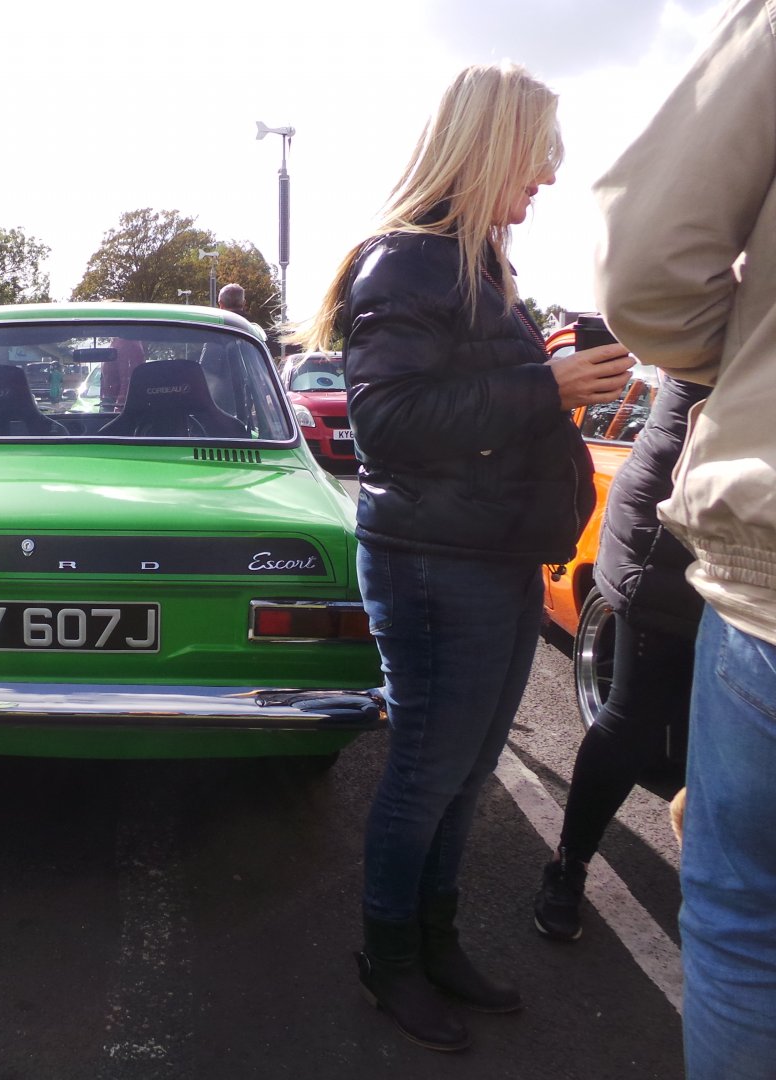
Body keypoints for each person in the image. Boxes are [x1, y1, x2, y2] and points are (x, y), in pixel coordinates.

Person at [302, 62, 634, 1052]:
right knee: (425, 771)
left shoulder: (473, 263)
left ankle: (435, 942)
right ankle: (388, 958)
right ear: (489, 146)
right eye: (538, 159)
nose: (547, 180)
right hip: (433, 560)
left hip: (484, 553)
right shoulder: (405, 263)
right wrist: (551, 386)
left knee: (468, 767)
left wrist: (551, 372)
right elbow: (390, 426)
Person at [594, 3, 776, 1074]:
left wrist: (744, 357)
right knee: (622, 723)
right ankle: (566, 872)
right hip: (684, 569)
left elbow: (648, 267)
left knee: (745, 933)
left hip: (757, 591)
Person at [533, 374, 709, 941]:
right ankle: (569, 863)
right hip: (675, 539)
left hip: (746, 544)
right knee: (635, 718)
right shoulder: (731, 297)